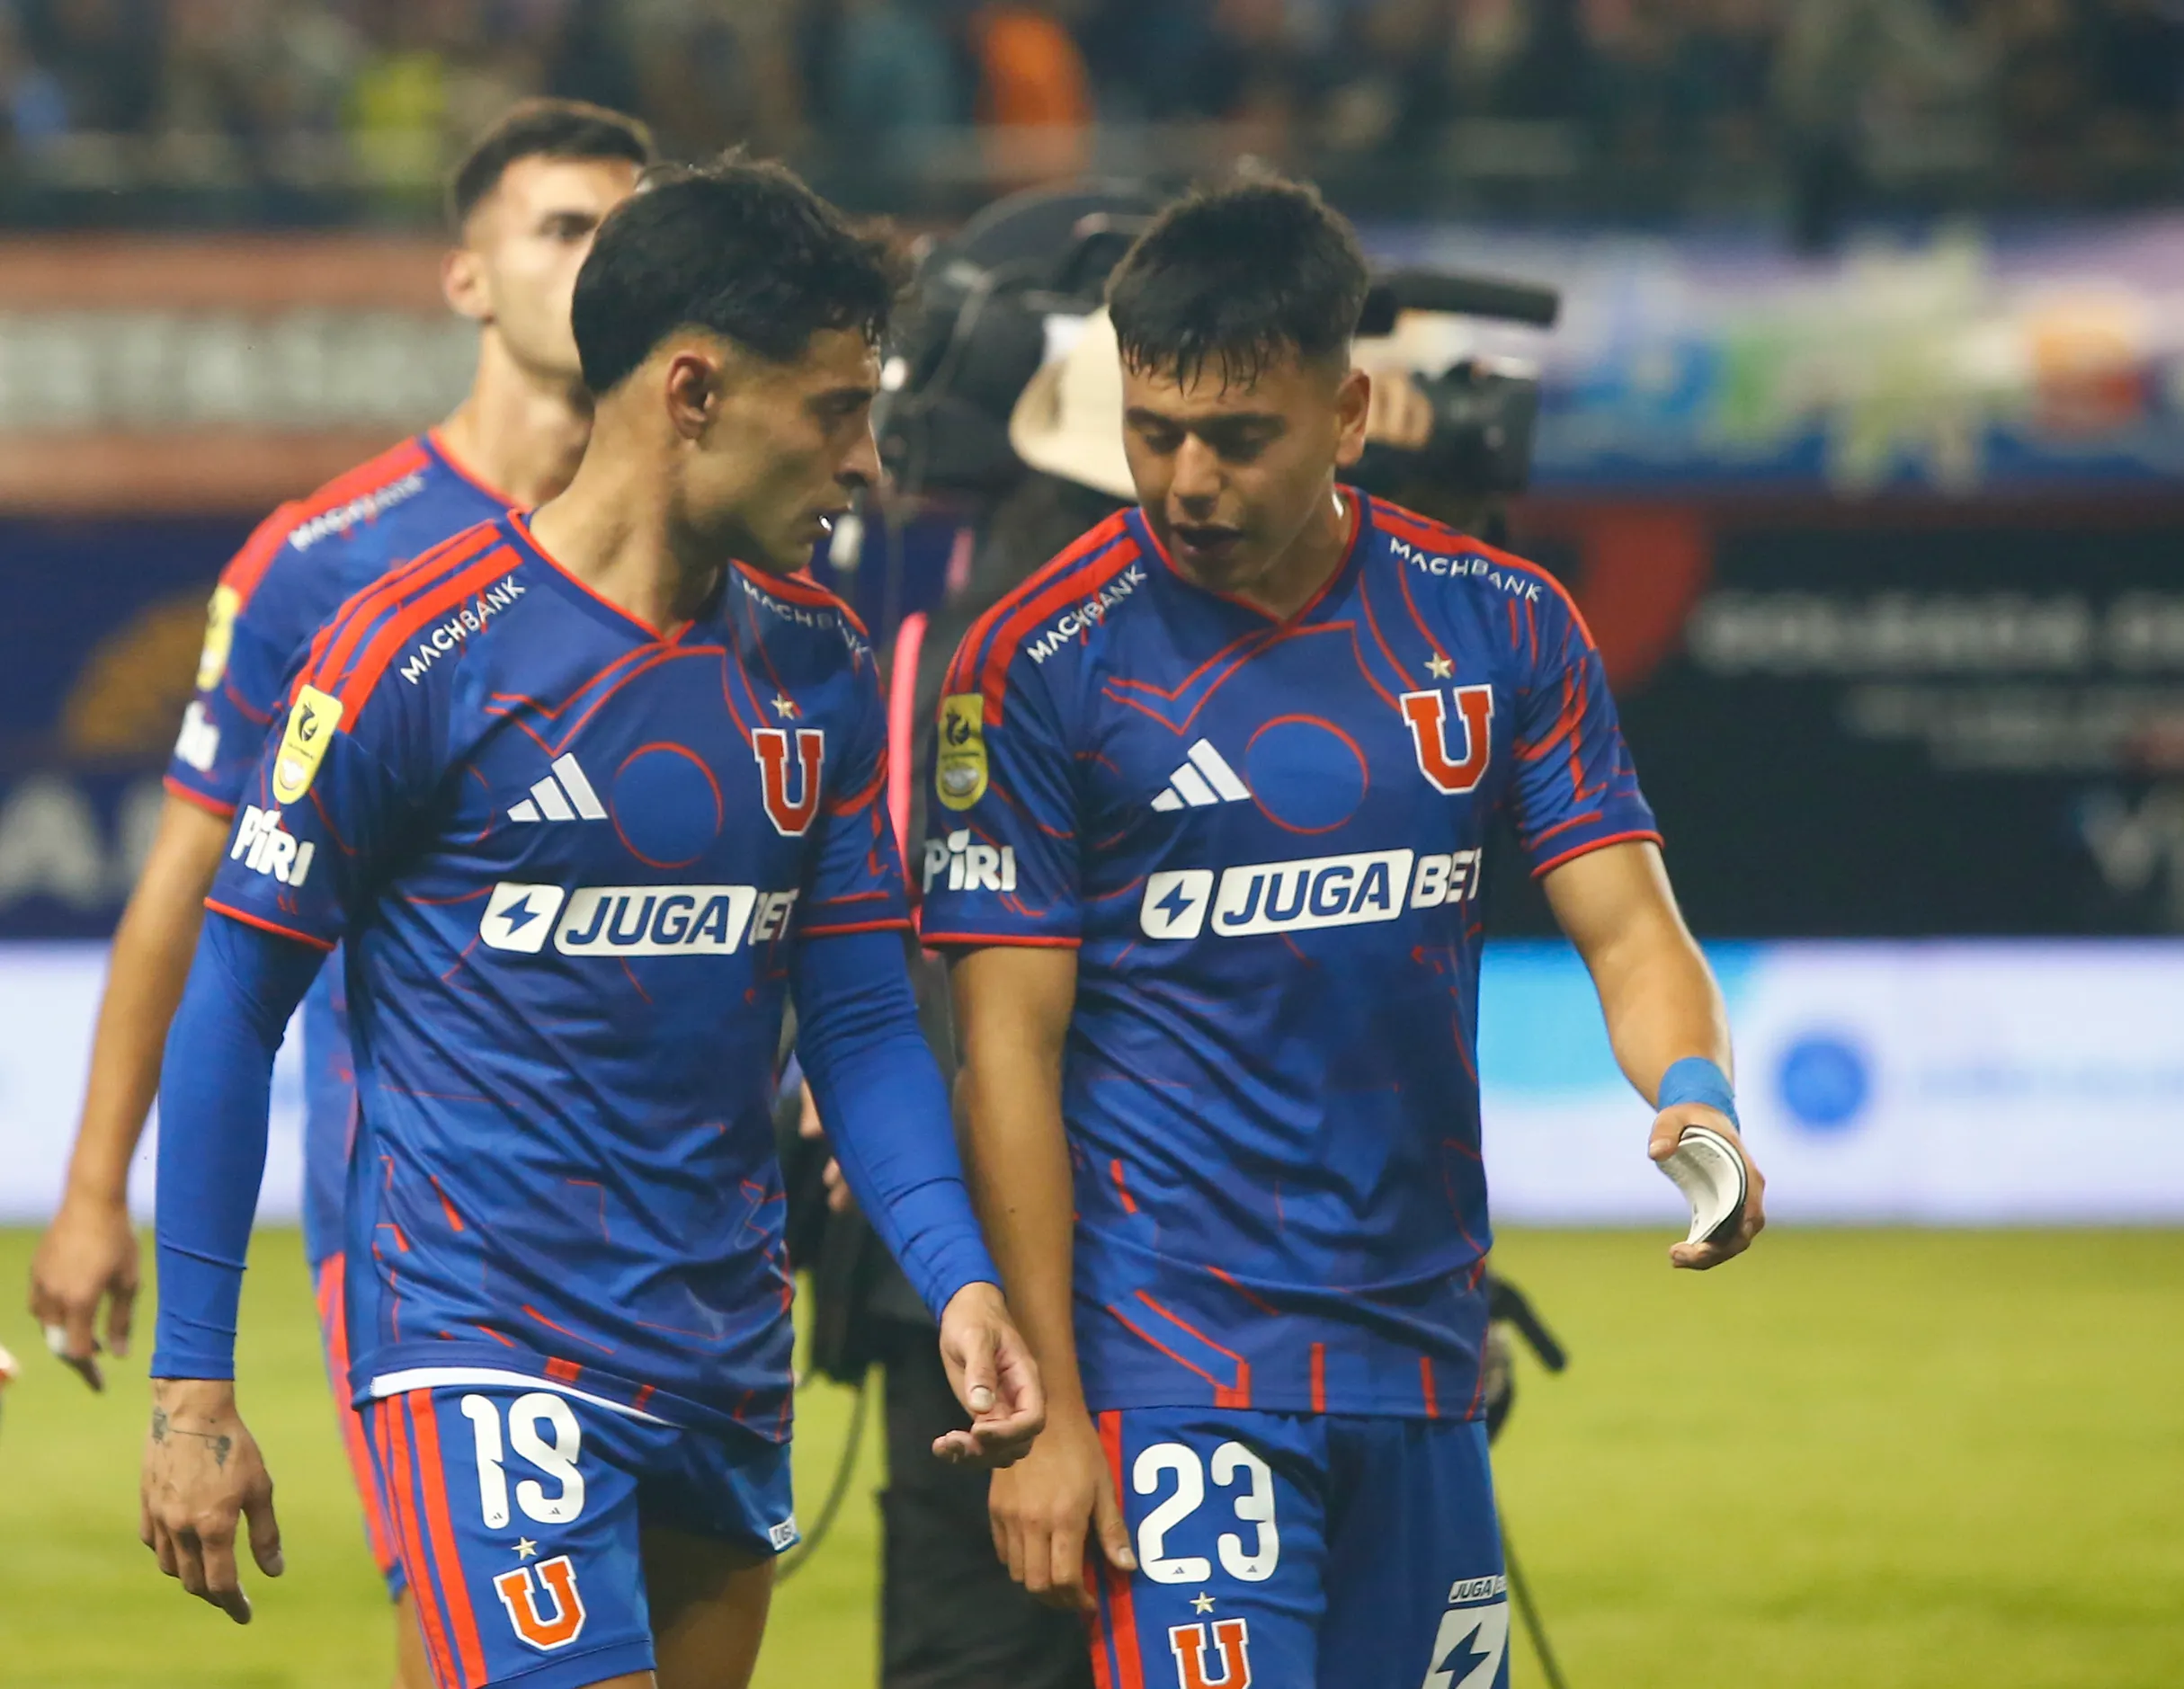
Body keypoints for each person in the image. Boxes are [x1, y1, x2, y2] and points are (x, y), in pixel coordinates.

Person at [137, 156, 1045, 1689]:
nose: (866, 458)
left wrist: (957, 1271)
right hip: (479, 1340)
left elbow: (866, 1017)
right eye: (832, 408)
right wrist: (191, 1391)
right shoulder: (412, 656)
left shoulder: (815, 662)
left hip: (721, 1348)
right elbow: (231, 1006)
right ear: (692, 390)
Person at [921, 178, 1765, 1688]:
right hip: (1170, 1360)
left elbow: (1630, 930)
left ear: (1350, 412)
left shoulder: (1502, 625)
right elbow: (1005, 1053)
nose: (1185, 478)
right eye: (1153, 428)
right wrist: (1049, 1413)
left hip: (1417, 1348)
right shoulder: (1034, 661)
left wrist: (1693, 1097)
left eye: (1237, 437)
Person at [29, 95, 651, 1688]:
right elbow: (187, 893)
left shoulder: (709, 554)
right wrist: (99, 1187)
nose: (599, 265)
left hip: (677, 1216)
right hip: (423, 1215)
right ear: (466, 278)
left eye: (626, 232)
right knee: (500, 1622)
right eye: (561, 229)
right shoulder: (327, 559)